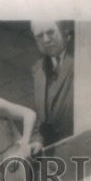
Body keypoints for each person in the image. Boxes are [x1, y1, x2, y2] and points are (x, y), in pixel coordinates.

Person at [29, 21, 75, 151]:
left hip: (85, 143)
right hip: (56, 153)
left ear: (64, 30)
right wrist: (37, 140)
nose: (46, 39)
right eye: (39, 36)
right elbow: (39, 116)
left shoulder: (82, 56)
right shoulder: (37, 70)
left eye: (50, 32)